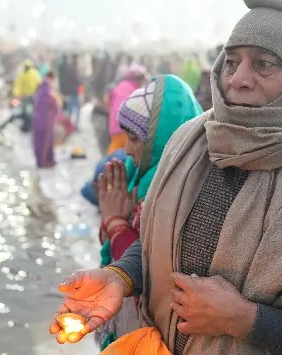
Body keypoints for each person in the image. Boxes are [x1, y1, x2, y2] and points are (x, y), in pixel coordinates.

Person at [50, 1, 282, 354]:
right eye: (231, 62)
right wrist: (121, 277)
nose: (237, 80)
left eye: (263, 64)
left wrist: (248, 320)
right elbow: (162, 241)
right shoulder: (192, 145)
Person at [93, 74, 203, 349]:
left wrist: (116, 221)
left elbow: (152, 272)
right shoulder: (136, 177)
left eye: (135, 139)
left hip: (161, 330)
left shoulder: (176, 188)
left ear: (163, 139)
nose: (127, 149)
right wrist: (112, 219)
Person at [107, 65, 147, 154]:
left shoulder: (120, 87)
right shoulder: (136, 91)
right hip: (127, 129)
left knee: (112, 156)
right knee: (127, 157)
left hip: (114, 128)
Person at [32, 71, 61, 169]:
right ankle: (44, 161)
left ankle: (45, 161)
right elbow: (50, 103)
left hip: (40, 120)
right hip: (45, 121)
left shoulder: (43, 88)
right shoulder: (46, 89)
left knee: (41, 141)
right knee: (45, 141)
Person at [58, 54, 82, 128]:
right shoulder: (75, 70)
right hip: (75, 92)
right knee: (76, 109)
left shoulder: (67, 69)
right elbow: (78, 82)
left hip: (70, 92)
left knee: (70, 109)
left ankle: (69, 124)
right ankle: (75, 125)